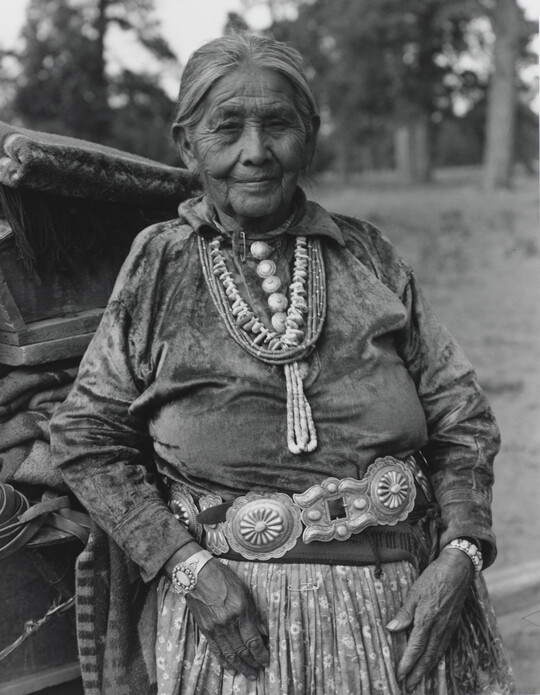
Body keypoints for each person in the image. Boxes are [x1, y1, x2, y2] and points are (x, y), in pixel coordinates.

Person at [50, 33, 514, 695]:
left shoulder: (367, 255)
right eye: (227, 128)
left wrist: (462, 552)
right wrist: (185, 564)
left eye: (278, 125)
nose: (256, 151)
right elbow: (85, 436)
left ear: (310, 136)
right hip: (236, 631)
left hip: (408, 620)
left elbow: (462, 418)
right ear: (187, 146)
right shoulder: (160, 264)